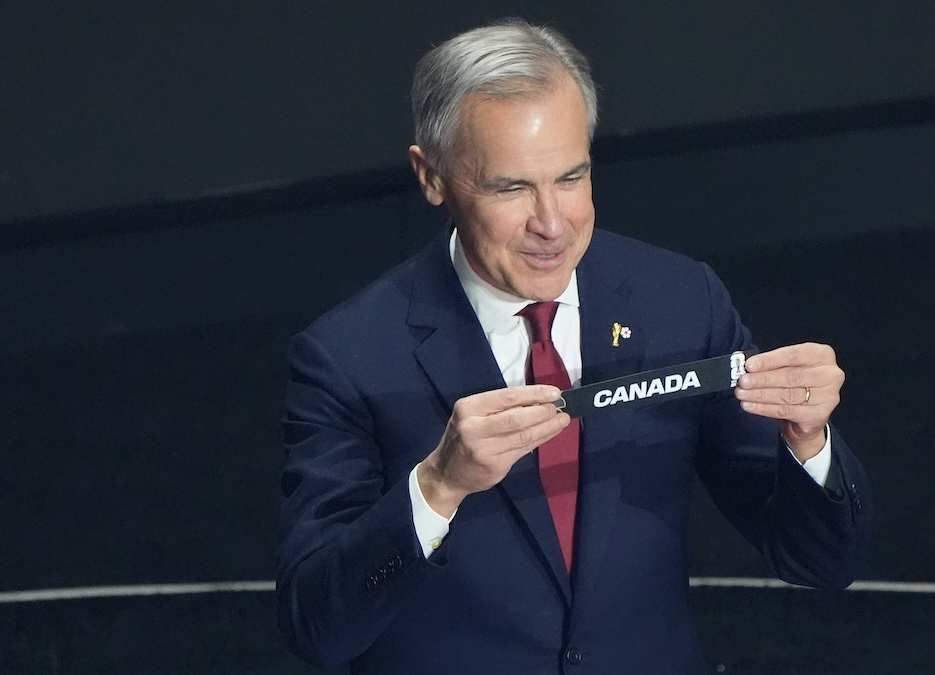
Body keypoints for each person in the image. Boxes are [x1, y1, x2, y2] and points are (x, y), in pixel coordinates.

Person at [277, 18, 871, 674]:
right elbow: (318, 625)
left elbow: (818, 561)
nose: (552, 224)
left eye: (570, 176)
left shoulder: (679, 302)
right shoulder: (348, 356)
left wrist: (808, 444)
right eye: (510, 187)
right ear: (432, 176)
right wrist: (438, 485)